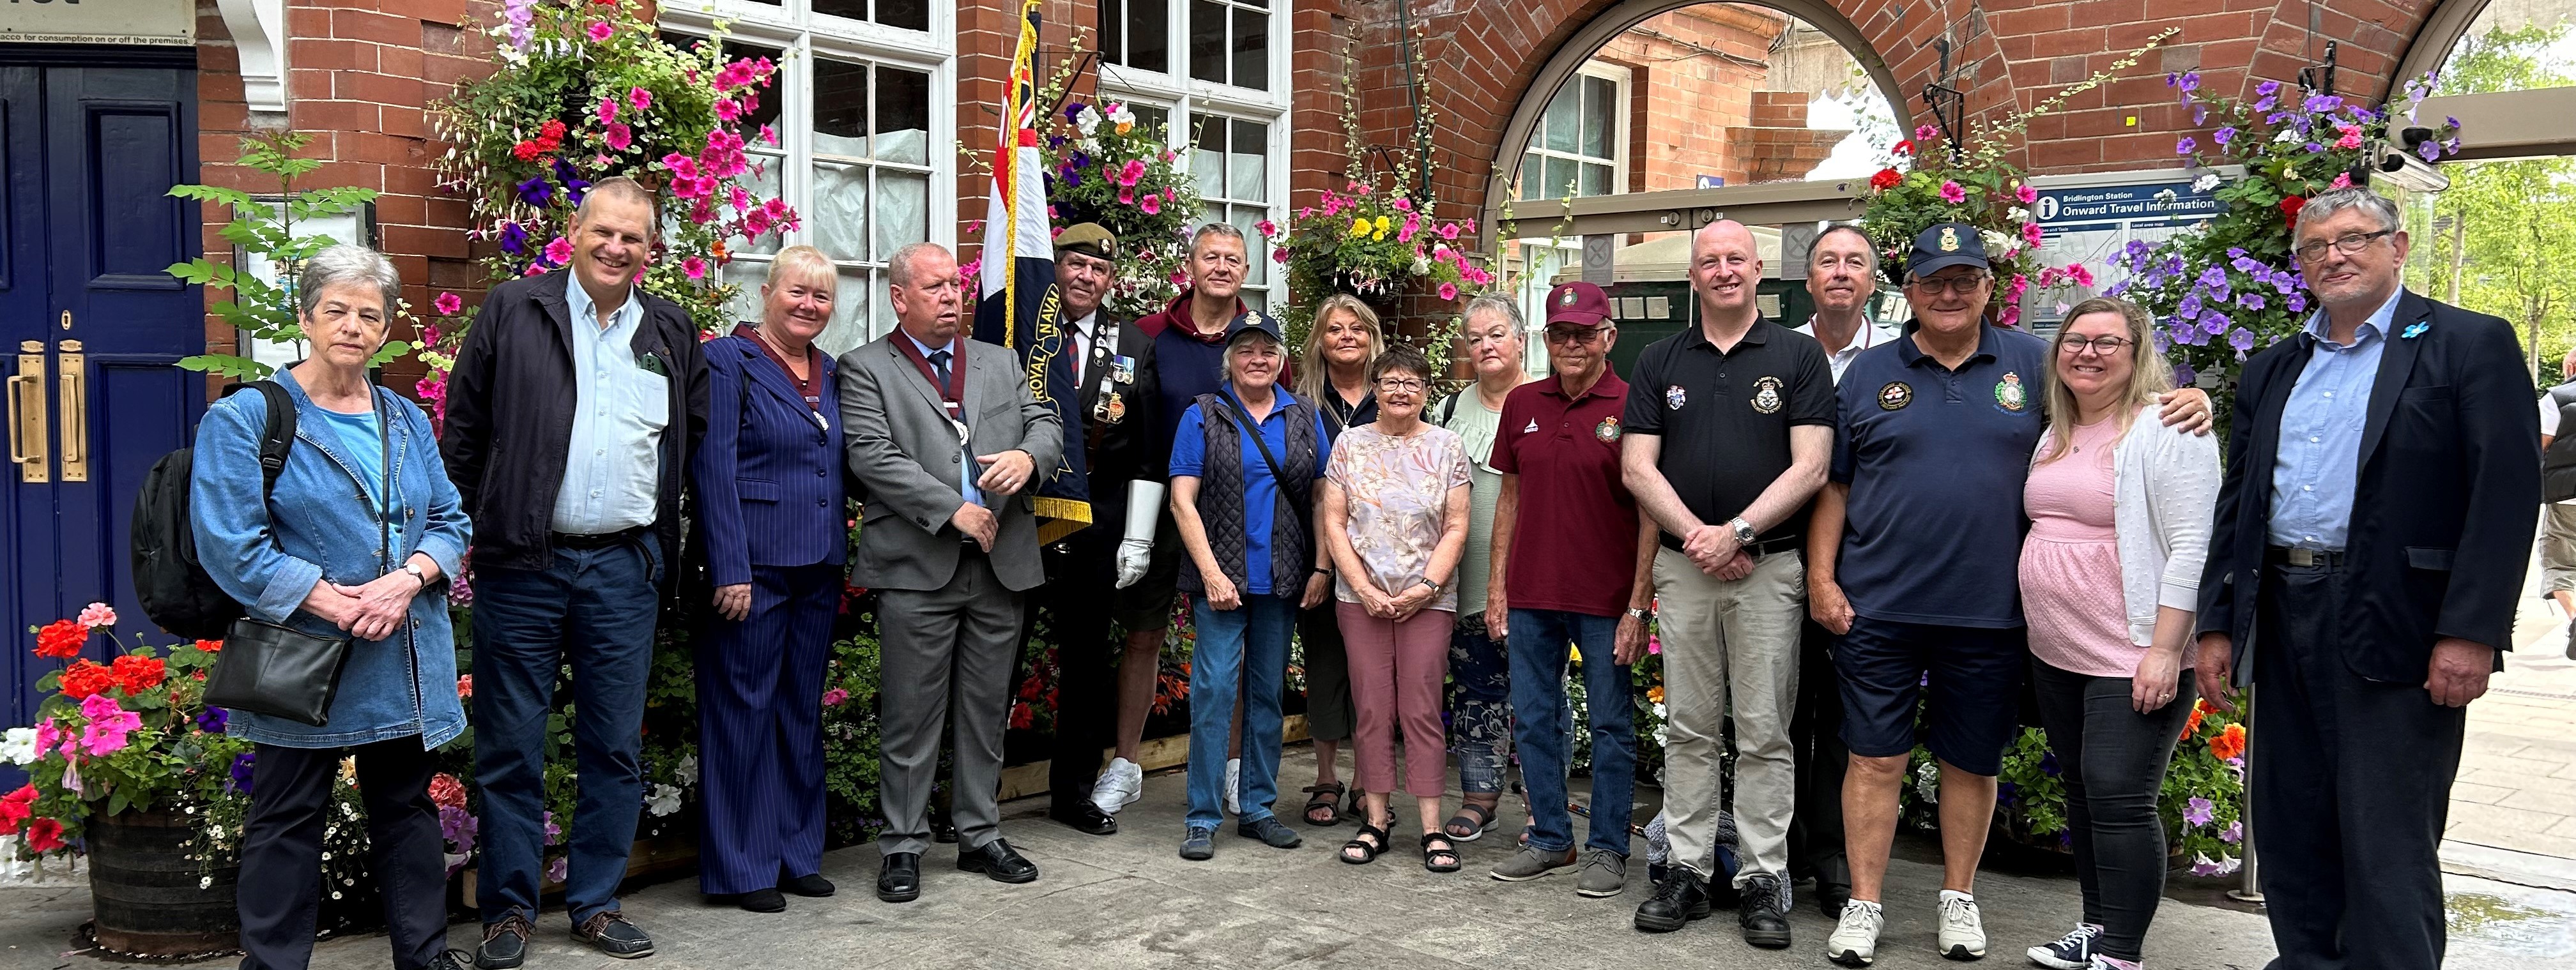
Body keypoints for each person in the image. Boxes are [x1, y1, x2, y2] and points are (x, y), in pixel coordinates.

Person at [1812, 224, 2212, 968]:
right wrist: (1822, 578)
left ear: (1991, 288)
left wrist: (2186, 399)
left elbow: (2116, 406)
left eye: (1967, 278)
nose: (1951, 292)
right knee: (1872, 760)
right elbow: (1836, 485)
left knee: (1973, 762)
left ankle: (1958, 898)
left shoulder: (2037, 365)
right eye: (1934, 280)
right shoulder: (1867, 373)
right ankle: (1864, 905)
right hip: (1879, 607)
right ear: (1911, 291)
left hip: (1993, 616)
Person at [2195, 186, 2540, 970]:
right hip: (2284, 609)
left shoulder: (2466, 344)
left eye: (2354, 238)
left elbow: (2504, 497)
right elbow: (2240, 501)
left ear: (2399, 246)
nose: (2335, 256)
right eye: (2316, 246)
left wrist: (2472, 631)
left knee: (2386, 832)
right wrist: (2219, 623)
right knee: (2292, 821)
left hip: (2401, 620)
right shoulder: (2274, 366)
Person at [443, 176, 708, 967]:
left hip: (624, 567)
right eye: (605, 232)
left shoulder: (669, 330)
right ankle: (509, 910)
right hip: (524, 563)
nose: (617, 247)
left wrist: (667, 553)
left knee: (613, 746)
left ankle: (595, 902)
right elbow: (462, 430)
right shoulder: (515, 310)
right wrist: (467, 533)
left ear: (651, 249)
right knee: (511, 745)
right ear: (575, 229)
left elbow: (686, 450)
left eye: (634, 237)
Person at [194, 246, 473, 970]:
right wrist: (333, 600)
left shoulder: (407, 419)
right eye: (337, 310)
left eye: (369, 314)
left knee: (407, 813)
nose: (353, 325)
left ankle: (425, 958)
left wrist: (408, 579)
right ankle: (274, 964)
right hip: (303, 654)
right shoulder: (249, 417)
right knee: (285, 818)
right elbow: (232, 543)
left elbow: (450, 521)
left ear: (383, 332)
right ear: (305, 318)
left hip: (400, 649)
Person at [1623, 220, 1834, 947]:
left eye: (1735, 259)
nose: (1723, 271)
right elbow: (1636, 468)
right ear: (1693, 274)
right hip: (1686, 570)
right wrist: (1699, 538)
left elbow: (1810, 467)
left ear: (1759, 270)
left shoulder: (1799, 357)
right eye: (1709, 261)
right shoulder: (1658, 360)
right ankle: (1685, 868)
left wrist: (1737, 532)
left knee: (1766, 732)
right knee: (1686, 725)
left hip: (1769, 568)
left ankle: (1761, 878)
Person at [838, 242, 1060, 903]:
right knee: (911, 715)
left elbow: (1046, 423)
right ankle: (902, 845)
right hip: (917, 564)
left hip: (1000, 563)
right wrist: (953, 509)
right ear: (899, 296)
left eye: (957, 285)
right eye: (934, 287)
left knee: (986, 711)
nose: (952, 296)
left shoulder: (999, 360)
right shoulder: (864, 367)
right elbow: (872, 456)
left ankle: (978, 833)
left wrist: (1027, 456)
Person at [2016, 298, 2217, 970]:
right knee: (2081, 789)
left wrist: (2164, 649)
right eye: (2075, 341)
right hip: (2057, 649)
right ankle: (2097, 928)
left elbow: (2193, 544)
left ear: (2137, 354)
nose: (2089, 353)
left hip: (2131, 648)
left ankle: (2123, 954)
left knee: (2120, 796)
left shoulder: (2168, 425)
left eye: (2108, 342)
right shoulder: (2056, 430)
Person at [1484, 282, 1657, 898]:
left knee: (1611, 724)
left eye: (1585, 333)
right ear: (1547, 339)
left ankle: (1608, 848)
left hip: (1606, 597)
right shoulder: (1523, 402)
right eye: (1561, 333)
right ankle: (1551, 839)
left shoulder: (1635, 404)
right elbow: (1510, 497)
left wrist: (1640, 602)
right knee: (1533, 719)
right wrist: (1498, 586)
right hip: (1532, 591)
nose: (1572, 344)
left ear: (1608, 336)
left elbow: (1650, 513)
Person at [687, 246, 848, 912]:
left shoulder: (831, 370)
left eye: (822, 296)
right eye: (798, 292)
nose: (809, 305)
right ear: (767, 291)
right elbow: (712, 468)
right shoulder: (728, 361)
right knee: (741, 713)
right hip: (752, 568)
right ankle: (741, 866)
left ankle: (795, 852)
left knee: (797, 710)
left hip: (818, 564)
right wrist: (730, 567)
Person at [1167, 313, 1331, 861]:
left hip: (1282, 579)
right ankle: (1202, 816)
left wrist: (1322, 568)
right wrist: (1212, 573)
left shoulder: (1303, 414)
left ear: (1282, 359)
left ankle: (1258, 808)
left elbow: (1321, 498)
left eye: (1268, 350)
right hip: (1221, 582)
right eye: (1246, 350)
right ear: (1230, 360)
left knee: (1267, 695)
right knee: (1213, 694)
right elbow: (1181, 501)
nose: (1257, 359)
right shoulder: (1203, 414)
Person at [1026, 224, 1164, 836]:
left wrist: (1137, 536)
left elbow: (1147, 452)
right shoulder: (1023, 332)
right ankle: (967, 796)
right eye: (1075, 263)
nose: (1085, 276)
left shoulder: (1133, 342)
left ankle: (1073, 792)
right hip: (1020, 525)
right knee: (996, 661)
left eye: (1098, 270)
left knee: (1085, 666)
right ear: (1056, 265)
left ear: (1112, 279)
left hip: (1097, 527)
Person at [1127, 223, 1263, 816]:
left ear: (1246, 270)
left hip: (1235, 514)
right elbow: (1130, 424)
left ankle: (1233, 767)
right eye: (1212, 256)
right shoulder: (1153, 335)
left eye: (1234, 258)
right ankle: (1125, 765)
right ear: (1191, 264)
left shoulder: (1259, 340)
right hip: (1161, 507)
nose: (1223, 267)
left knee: (1232, 643)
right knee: (1144, 632)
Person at [1320, 345, 1473, 870]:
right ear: (1375, 389)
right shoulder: (1349, 444)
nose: (1401, 391)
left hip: (1427, 601)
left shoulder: (1448, 446)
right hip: (1360, 598)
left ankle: (1432, 828)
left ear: (1427, 391)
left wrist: (1427, 587)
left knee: (1421, 710)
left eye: (1412, 382)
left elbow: (1456, 525)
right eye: (1390, 382)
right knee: (1372, 709)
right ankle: (1376, 820)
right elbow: (1335, 522)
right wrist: (1361, 586)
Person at [1784, 223, 1892, 918]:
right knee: (1783, 715)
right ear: (1809, 280)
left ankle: (1831, 858)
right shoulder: (1780, 353)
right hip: (1773, 562)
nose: (1842, 272)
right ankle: (1780, 855)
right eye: (1828, 261)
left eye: (1856, 262)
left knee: (1850, 722)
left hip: (1873, 567)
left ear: (1873, 281)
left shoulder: (1900, 357)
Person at [1434, 295, 1533, 842]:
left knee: (1541, 698)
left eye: (1497, 334)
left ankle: (1545, 805)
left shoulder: (1547, 400)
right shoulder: (1448, 411)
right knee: (1475, 691)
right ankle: (1479, 797)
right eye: (1475, 339)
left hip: (1535, 581)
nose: (1486, 346)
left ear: (1520, 339)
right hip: (1467, 580)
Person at [1286, 292, 1384, 826]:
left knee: (1373, 673)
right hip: (1316, 554)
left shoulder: (1394, 396)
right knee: (1325, 665)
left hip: (1385, 558)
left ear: (1372, 339)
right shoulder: (1301, 405)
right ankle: (1326, 776)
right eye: (1334, 329)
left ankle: (1371, 780)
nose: (1346, 336)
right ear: (1318, 343)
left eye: (1357, 329)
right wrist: (1321, 566)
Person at [2537, 347, 2576, 657]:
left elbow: (2536, 446)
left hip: (2567, 498)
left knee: (2559, 561)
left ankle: (2575, 618)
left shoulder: (2557, 399)